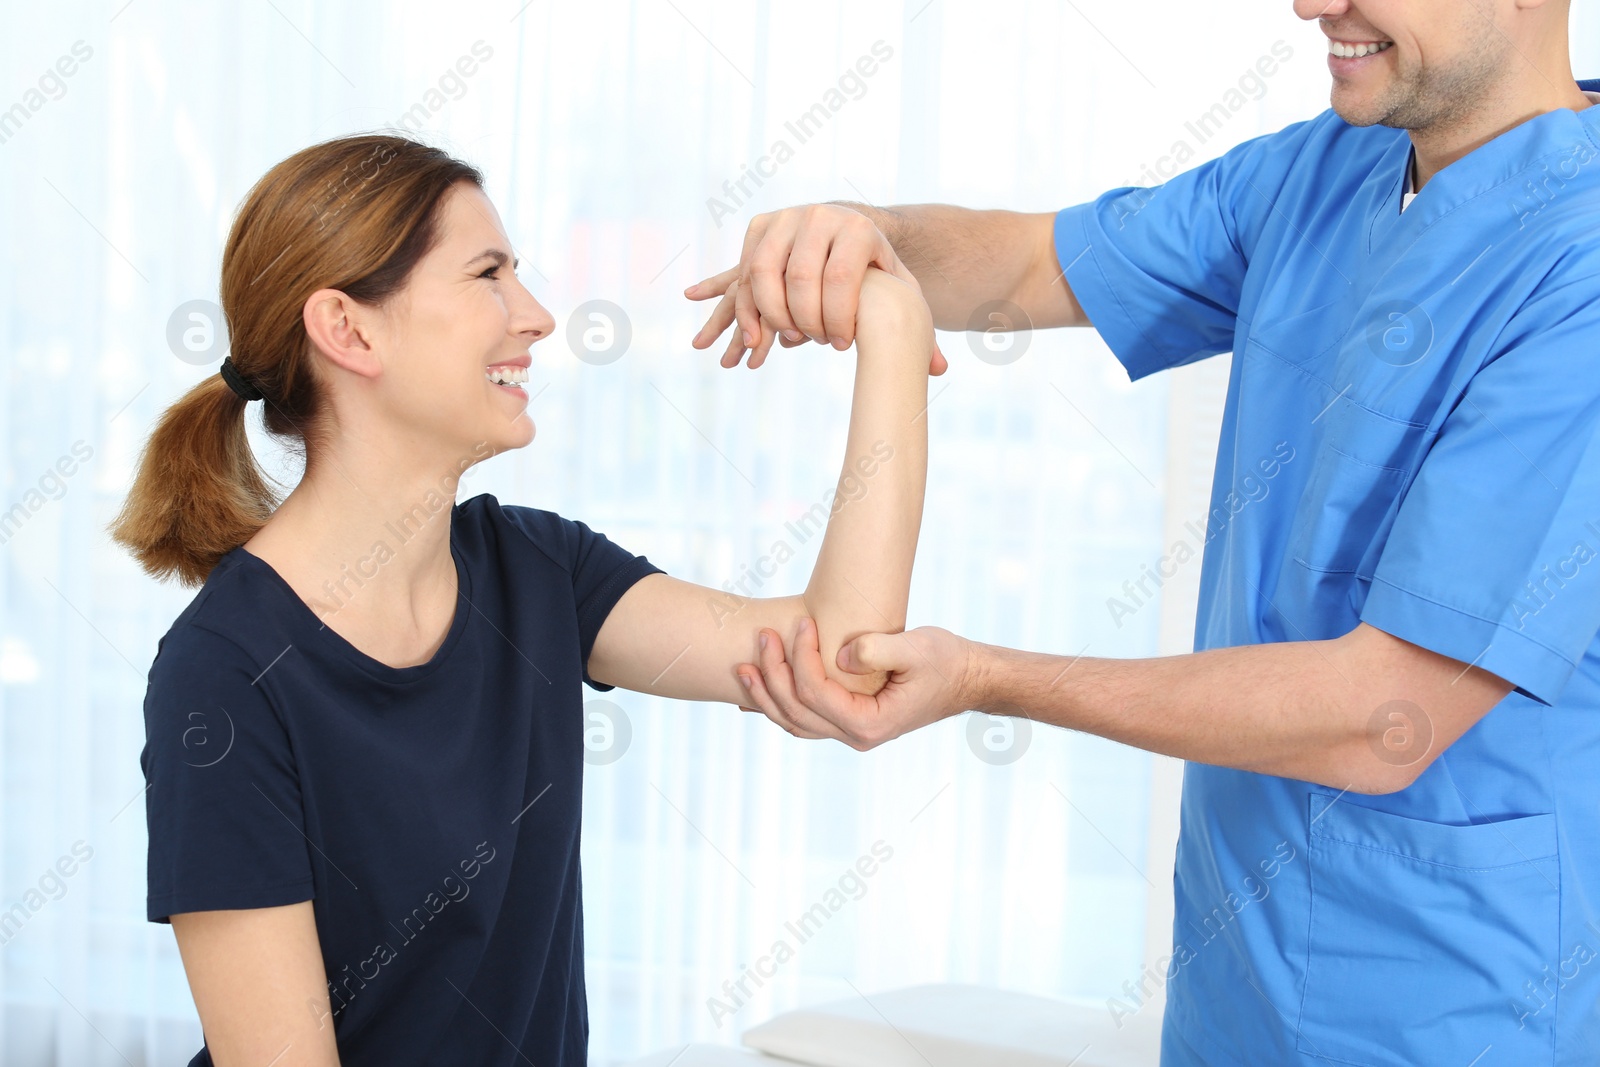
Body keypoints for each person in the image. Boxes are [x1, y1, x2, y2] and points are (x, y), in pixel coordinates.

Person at [691, 0, 1600, 1063]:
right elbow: (1031, 264)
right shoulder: (1324, 174)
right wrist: (864, 235)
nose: (1310, 5)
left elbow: (1384, 713)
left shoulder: (1574, 269)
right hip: (1230, 992)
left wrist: (988, 678)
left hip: (1453, 1011)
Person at [107, 133, 933, 1067]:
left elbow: (838, 660)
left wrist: (894, 323)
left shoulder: (538, 570)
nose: (536, 316)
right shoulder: (224, 674)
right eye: (488, 275)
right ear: (348, 329)